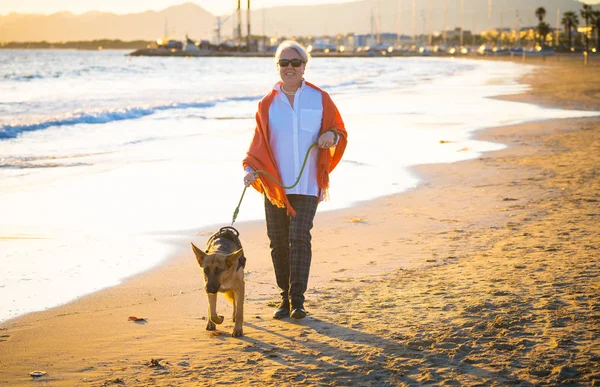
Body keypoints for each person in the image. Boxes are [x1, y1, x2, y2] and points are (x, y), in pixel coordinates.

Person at [242, 40, 348, 320]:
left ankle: (297, 300)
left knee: (298, 236)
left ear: (304, 66)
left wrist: (331, 137)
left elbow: (339, 130)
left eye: (295, 63)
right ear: (278, 67)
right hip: (275, 186)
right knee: (277, 240)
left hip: (308, 183)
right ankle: (284, 298)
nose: (290, 68)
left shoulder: (319, 98)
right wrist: (250, 169)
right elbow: (259, 144)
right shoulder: (266, 104)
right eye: (284, 63)